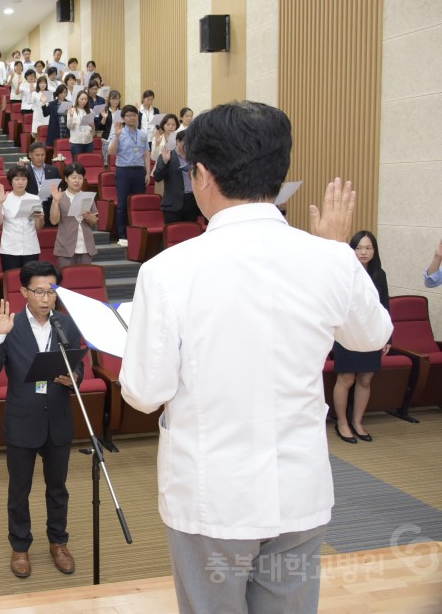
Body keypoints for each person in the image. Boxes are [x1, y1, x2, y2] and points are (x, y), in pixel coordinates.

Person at [119, 101, 393, 614]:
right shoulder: (328, 258)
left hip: (211, 495)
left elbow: (144, 392)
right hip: (299, 490)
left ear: (201, 174)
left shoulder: (169, 270)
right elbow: (371, 336)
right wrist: (338, 253)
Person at [0, 260, 83, 579]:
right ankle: (20, 546)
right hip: (22, 419)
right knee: (19, 489)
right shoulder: (10, 326)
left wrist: (74, 378)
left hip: (58, 418)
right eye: (38, 291)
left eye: (52, 291)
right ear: (24, 292)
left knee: (58, 488)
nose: (45, 298)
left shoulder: (66, 324)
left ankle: (58, 542)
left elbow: (78, 366)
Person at [332, 231, 392, 443]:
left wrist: (387, 337)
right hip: (346, 333)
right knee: (346, 378)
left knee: (365, 379)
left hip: (371, 334)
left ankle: (357, 422)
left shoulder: (379, 274)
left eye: (368, 248)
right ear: (352, 250)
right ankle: (342, 423)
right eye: (358, 248)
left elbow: (384, 306)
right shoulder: (342, 272)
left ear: (374, 251)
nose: (363, 252)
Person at [108, 104, 152, 246]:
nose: (132, 118)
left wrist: (147, 173)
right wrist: (117, 136)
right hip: (124, 172)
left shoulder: (143, 134)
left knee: (138, 203)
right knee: (122, 204)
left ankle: (137, 233)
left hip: (139, 171)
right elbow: (111, 152)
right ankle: (123, 235)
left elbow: (146, 155)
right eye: (128, 116)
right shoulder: (119, 133)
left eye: (134, 115)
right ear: (123, 118)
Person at [0, 165, 45, 271]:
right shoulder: (5, 199)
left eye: (23, 179)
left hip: (31, 247)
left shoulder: (34, 198)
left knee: (31, 280)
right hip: (10, 249)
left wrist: (40, 218)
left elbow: (39, 227)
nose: (20, 182)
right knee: (11, 280)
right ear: (11, 181)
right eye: (17, 179)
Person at [49, 162, 99, 267]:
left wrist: (89, 217)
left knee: (84, 280)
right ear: (66, 179)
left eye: (80, 178)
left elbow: (94, 222)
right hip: (65, 246)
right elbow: (54, 221)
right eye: (73, 177)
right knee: (66, 280)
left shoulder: (87, 196)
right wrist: (56, 201)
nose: (77, 181)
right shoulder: (59, 196)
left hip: (86, 246)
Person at [153, 129, 202, 224]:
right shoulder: (167, 155)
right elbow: (157, 177)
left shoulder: (195, 158)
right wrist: (165, 162)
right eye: (186, 141)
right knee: (173, 234)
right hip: (173, 204)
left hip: (192, 202)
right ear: (178, 142)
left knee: (190, 234)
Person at [23, 142, 61, 227]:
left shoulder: (53, 170)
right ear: (30, 155)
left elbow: (61, 188)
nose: (40, 158)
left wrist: (55, 194)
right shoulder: (24, 171)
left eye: (42, 155)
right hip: (31, 207)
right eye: (37, 155)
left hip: (50, 206)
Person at [67, 91, 94, 159]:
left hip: (88, 142)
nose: (83, 101)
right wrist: (71, 116)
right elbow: (69, 126)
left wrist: (92, 126)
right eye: (81, 99)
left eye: (85, 99)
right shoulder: (72, 110)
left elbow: (93, 128)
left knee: (88, 163)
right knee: (77, 165)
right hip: (76, 142)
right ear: (77, 99)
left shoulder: (90, 111)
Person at [42, 84, 70, 149]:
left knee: (65, 148)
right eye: (61, 92)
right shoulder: (52, 104)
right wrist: (43, 104)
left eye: (65, 92)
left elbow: (72, 117)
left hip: (65, 129)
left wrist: (70, 112)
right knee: (54, 149)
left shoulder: (68, 103)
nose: (63, 94)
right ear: (58, 93)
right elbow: (45, 114)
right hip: (55, 130)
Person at [98, 89, 122, 164]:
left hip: (119, 139)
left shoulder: (122, 112)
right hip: (107, 139)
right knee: (106, 162)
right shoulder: (104, 111)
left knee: (117, 161)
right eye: (113, 99)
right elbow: (100, 128)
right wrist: (104, 118)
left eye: (117, 99)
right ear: (109, 100)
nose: (115, 101)